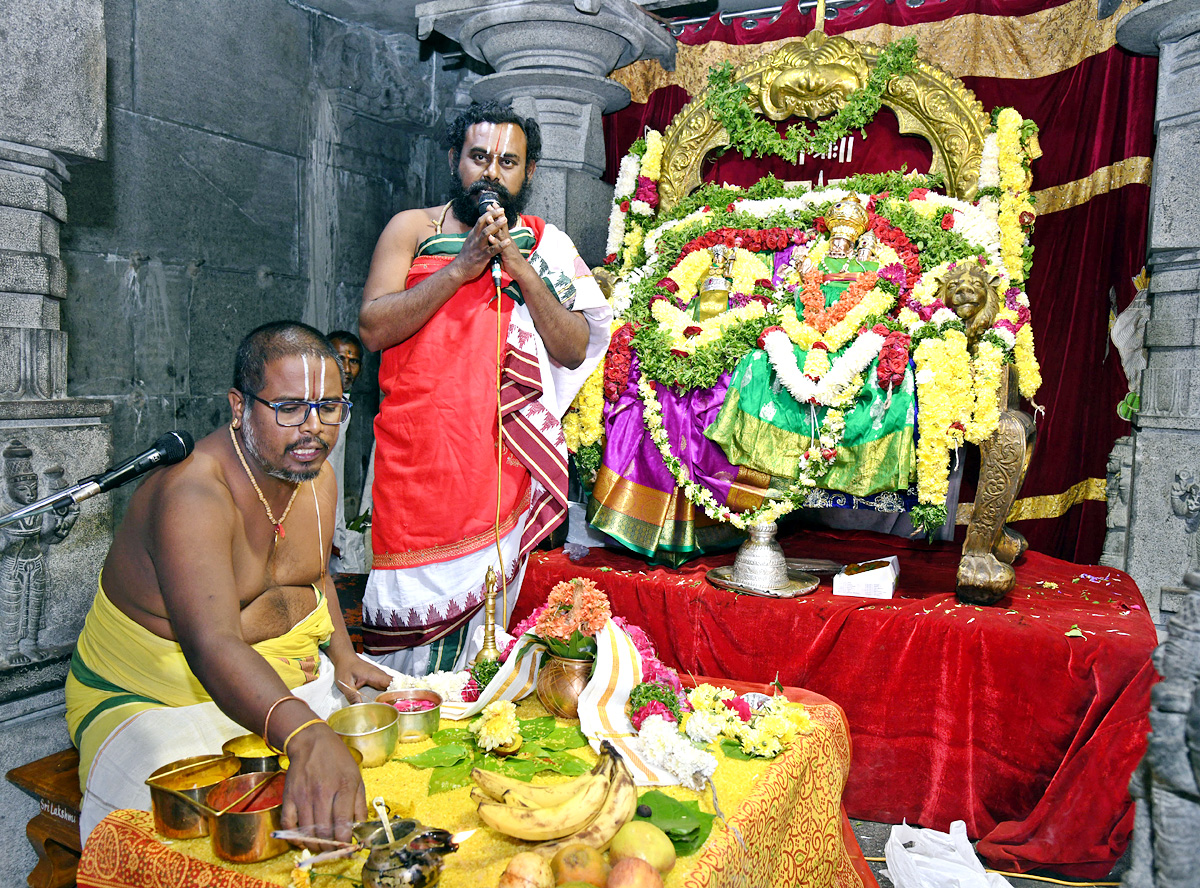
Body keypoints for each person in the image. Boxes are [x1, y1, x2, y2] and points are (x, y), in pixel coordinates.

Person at [64, 321, 392, 844]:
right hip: (153, 700)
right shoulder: (193, 494)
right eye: (288, 408)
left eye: (329, 408)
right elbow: (212, 642)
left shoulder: (316, 475)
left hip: (283, 684)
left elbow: (317, 578)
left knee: (388, 786)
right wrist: (305, 733)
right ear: (239, 407)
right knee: (204, 835)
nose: (314, 429)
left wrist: (347, 658)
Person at [357, 100, 612, 676]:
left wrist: (517, 266)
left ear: (529, 174)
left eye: (508, 161)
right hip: (418, 457)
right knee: (404, 642)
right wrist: (462, 267)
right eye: (478, 157)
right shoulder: (413, 229)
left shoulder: (547, 247)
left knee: (487, 650)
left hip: (500, 463)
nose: (492, 172)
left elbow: (574, 347)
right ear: (455, 160)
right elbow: (373, 328)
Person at [326, 330, 368, 574]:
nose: (347, 368)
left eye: (353, 361)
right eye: (339, 358)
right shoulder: (317, 407)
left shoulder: (344, 406)